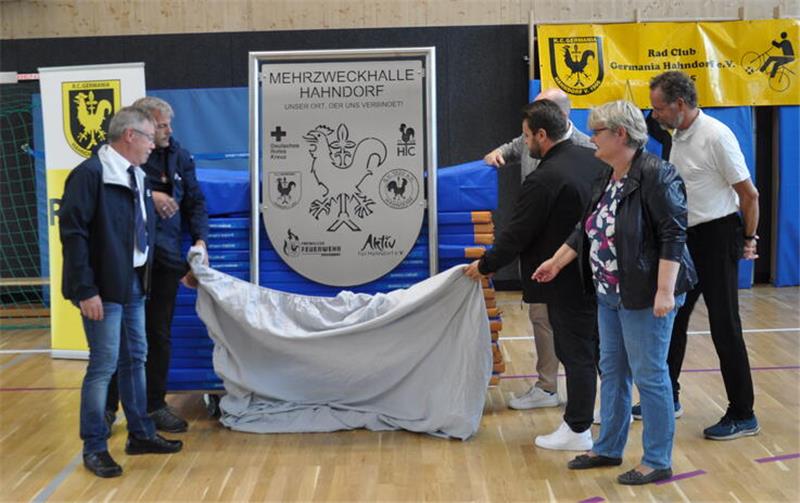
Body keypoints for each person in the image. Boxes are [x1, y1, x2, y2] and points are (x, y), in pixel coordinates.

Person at [534, 100, 696, 485]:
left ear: (620, 134)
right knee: (614, 372)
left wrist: (664, 291)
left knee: (649, 375)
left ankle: (657, 459)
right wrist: (556, 262)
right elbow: (585, 227)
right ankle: (608, 447)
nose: (591, 138)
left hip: (644, 294)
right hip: (609, 293)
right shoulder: (606, 176)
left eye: (597, 132)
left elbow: (674, 234)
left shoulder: (657, 174)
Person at [466, 99, 604, 451]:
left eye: (527, 136)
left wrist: (484, 265)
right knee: (601, 353)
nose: (524, 143)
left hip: (564, 280)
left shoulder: (543, 179)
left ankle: (577, 429)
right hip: (601, 274)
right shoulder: (594, 160)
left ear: (542, 135)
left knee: (575, 354)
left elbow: (516, 235)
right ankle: (609, 419)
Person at [60, 106, 183, 478]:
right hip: (102, 287)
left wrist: (180, 270)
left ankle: (141, 433)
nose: (155, 144)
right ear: (130, 136)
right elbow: (74, 235)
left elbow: (143, 235)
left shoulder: (138, 175)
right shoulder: (90, 175)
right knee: (103, 366)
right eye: (149, 137)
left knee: (136, 358)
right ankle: (94, 445)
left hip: (133, 282)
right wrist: (86, 289)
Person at [648, 71, 760, 440]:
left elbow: (750, 195)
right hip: (685, 237)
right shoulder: (676, 130)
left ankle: (743, 413)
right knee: (673, 319)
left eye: (660, 108)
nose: (656, 116)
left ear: (680, 105)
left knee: (724, 325)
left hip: (718, 234)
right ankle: (670, 396)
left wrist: (749, 237)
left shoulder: (716, 136)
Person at [483, 88, 594, 410]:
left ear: (555, 120)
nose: (526, 137)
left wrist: (488, 263)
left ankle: (588, 405)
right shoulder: (528, 139)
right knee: (541, 318)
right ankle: (548, 386)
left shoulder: (588, 149)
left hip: (572, 257)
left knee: (579, 334)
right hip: (542, 255)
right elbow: (510, 147)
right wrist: (495, 155)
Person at [106, 96, 209, 434]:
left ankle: (155, 405)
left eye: (167, 126)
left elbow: (194, 200)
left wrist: (200, 241)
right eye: (160, 126)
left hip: (165, 258)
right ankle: (107, 408)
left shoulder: (180, 155)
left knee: (159, 333)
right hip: (127, 259)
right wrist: (152, 196)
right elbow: (119, 192)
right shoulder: (115, 161)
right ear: (141, 127)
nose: (166, 132)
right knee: (120, 336)